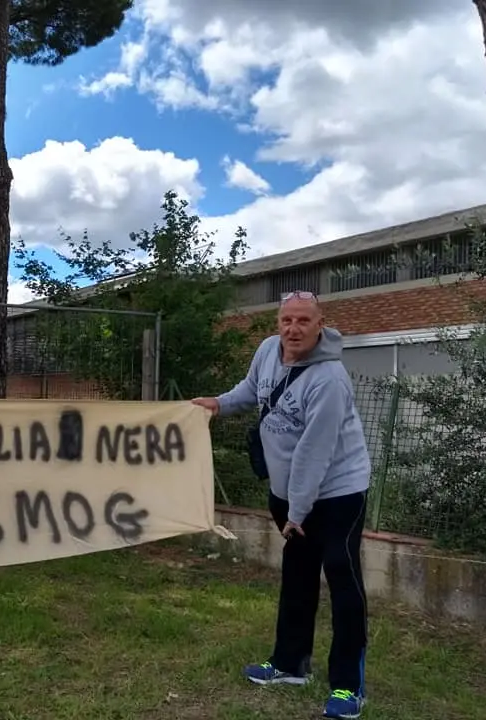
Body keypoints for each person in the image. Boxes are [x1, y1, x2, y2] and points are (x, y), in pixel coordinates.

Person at [192, 290, 371, 720]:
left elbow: (316, 452)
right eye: (286, 320)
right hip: (289, 494)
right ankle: (290, 664)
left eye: (302, 321)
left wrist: (297, 513)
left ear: (319, 324)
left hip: (336, 494)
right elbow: (253, 390)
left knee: (343, 583)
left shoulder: (329, 380)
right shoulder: (269, 350)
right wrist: (218, 403)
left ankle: (348, 688)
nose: (293, 329)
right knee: (297, 577)